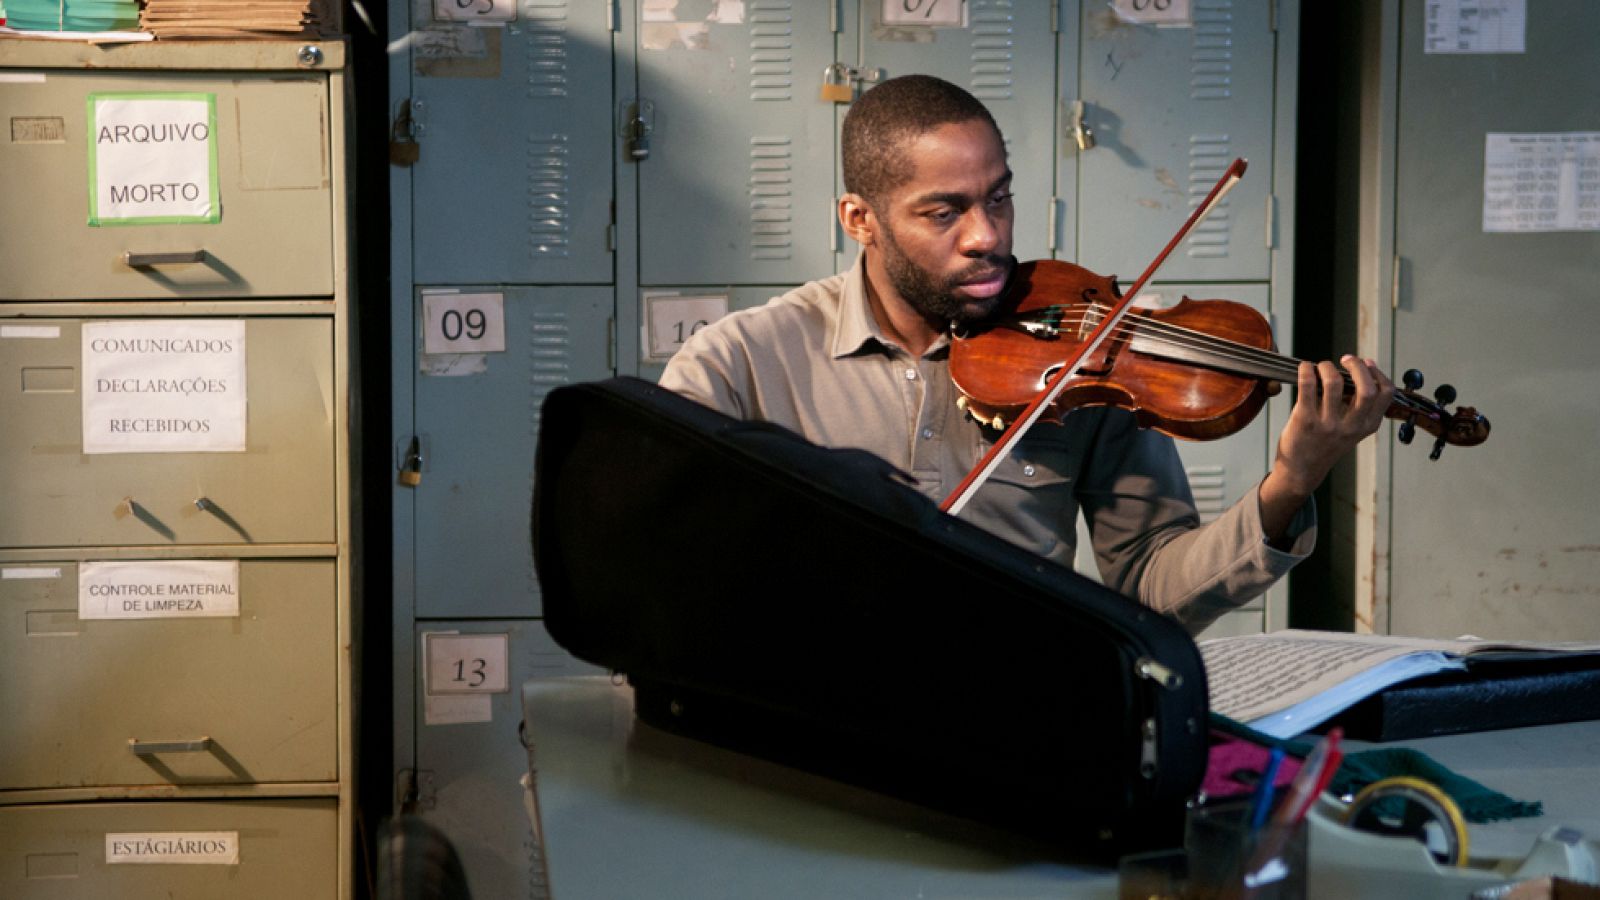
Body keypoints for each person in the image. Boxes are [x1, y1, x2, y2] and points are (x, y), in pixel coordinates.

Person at [659, 74, 1392, 634]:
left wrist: (1292, 480)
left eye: (999, 199)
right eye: (945, 212)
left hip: (1020, 704)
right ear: (861, 219)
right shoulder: (744, 360)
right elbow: (672, 558)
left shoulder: (1091, 356)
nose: (986, 236)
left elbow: (1150, 583)